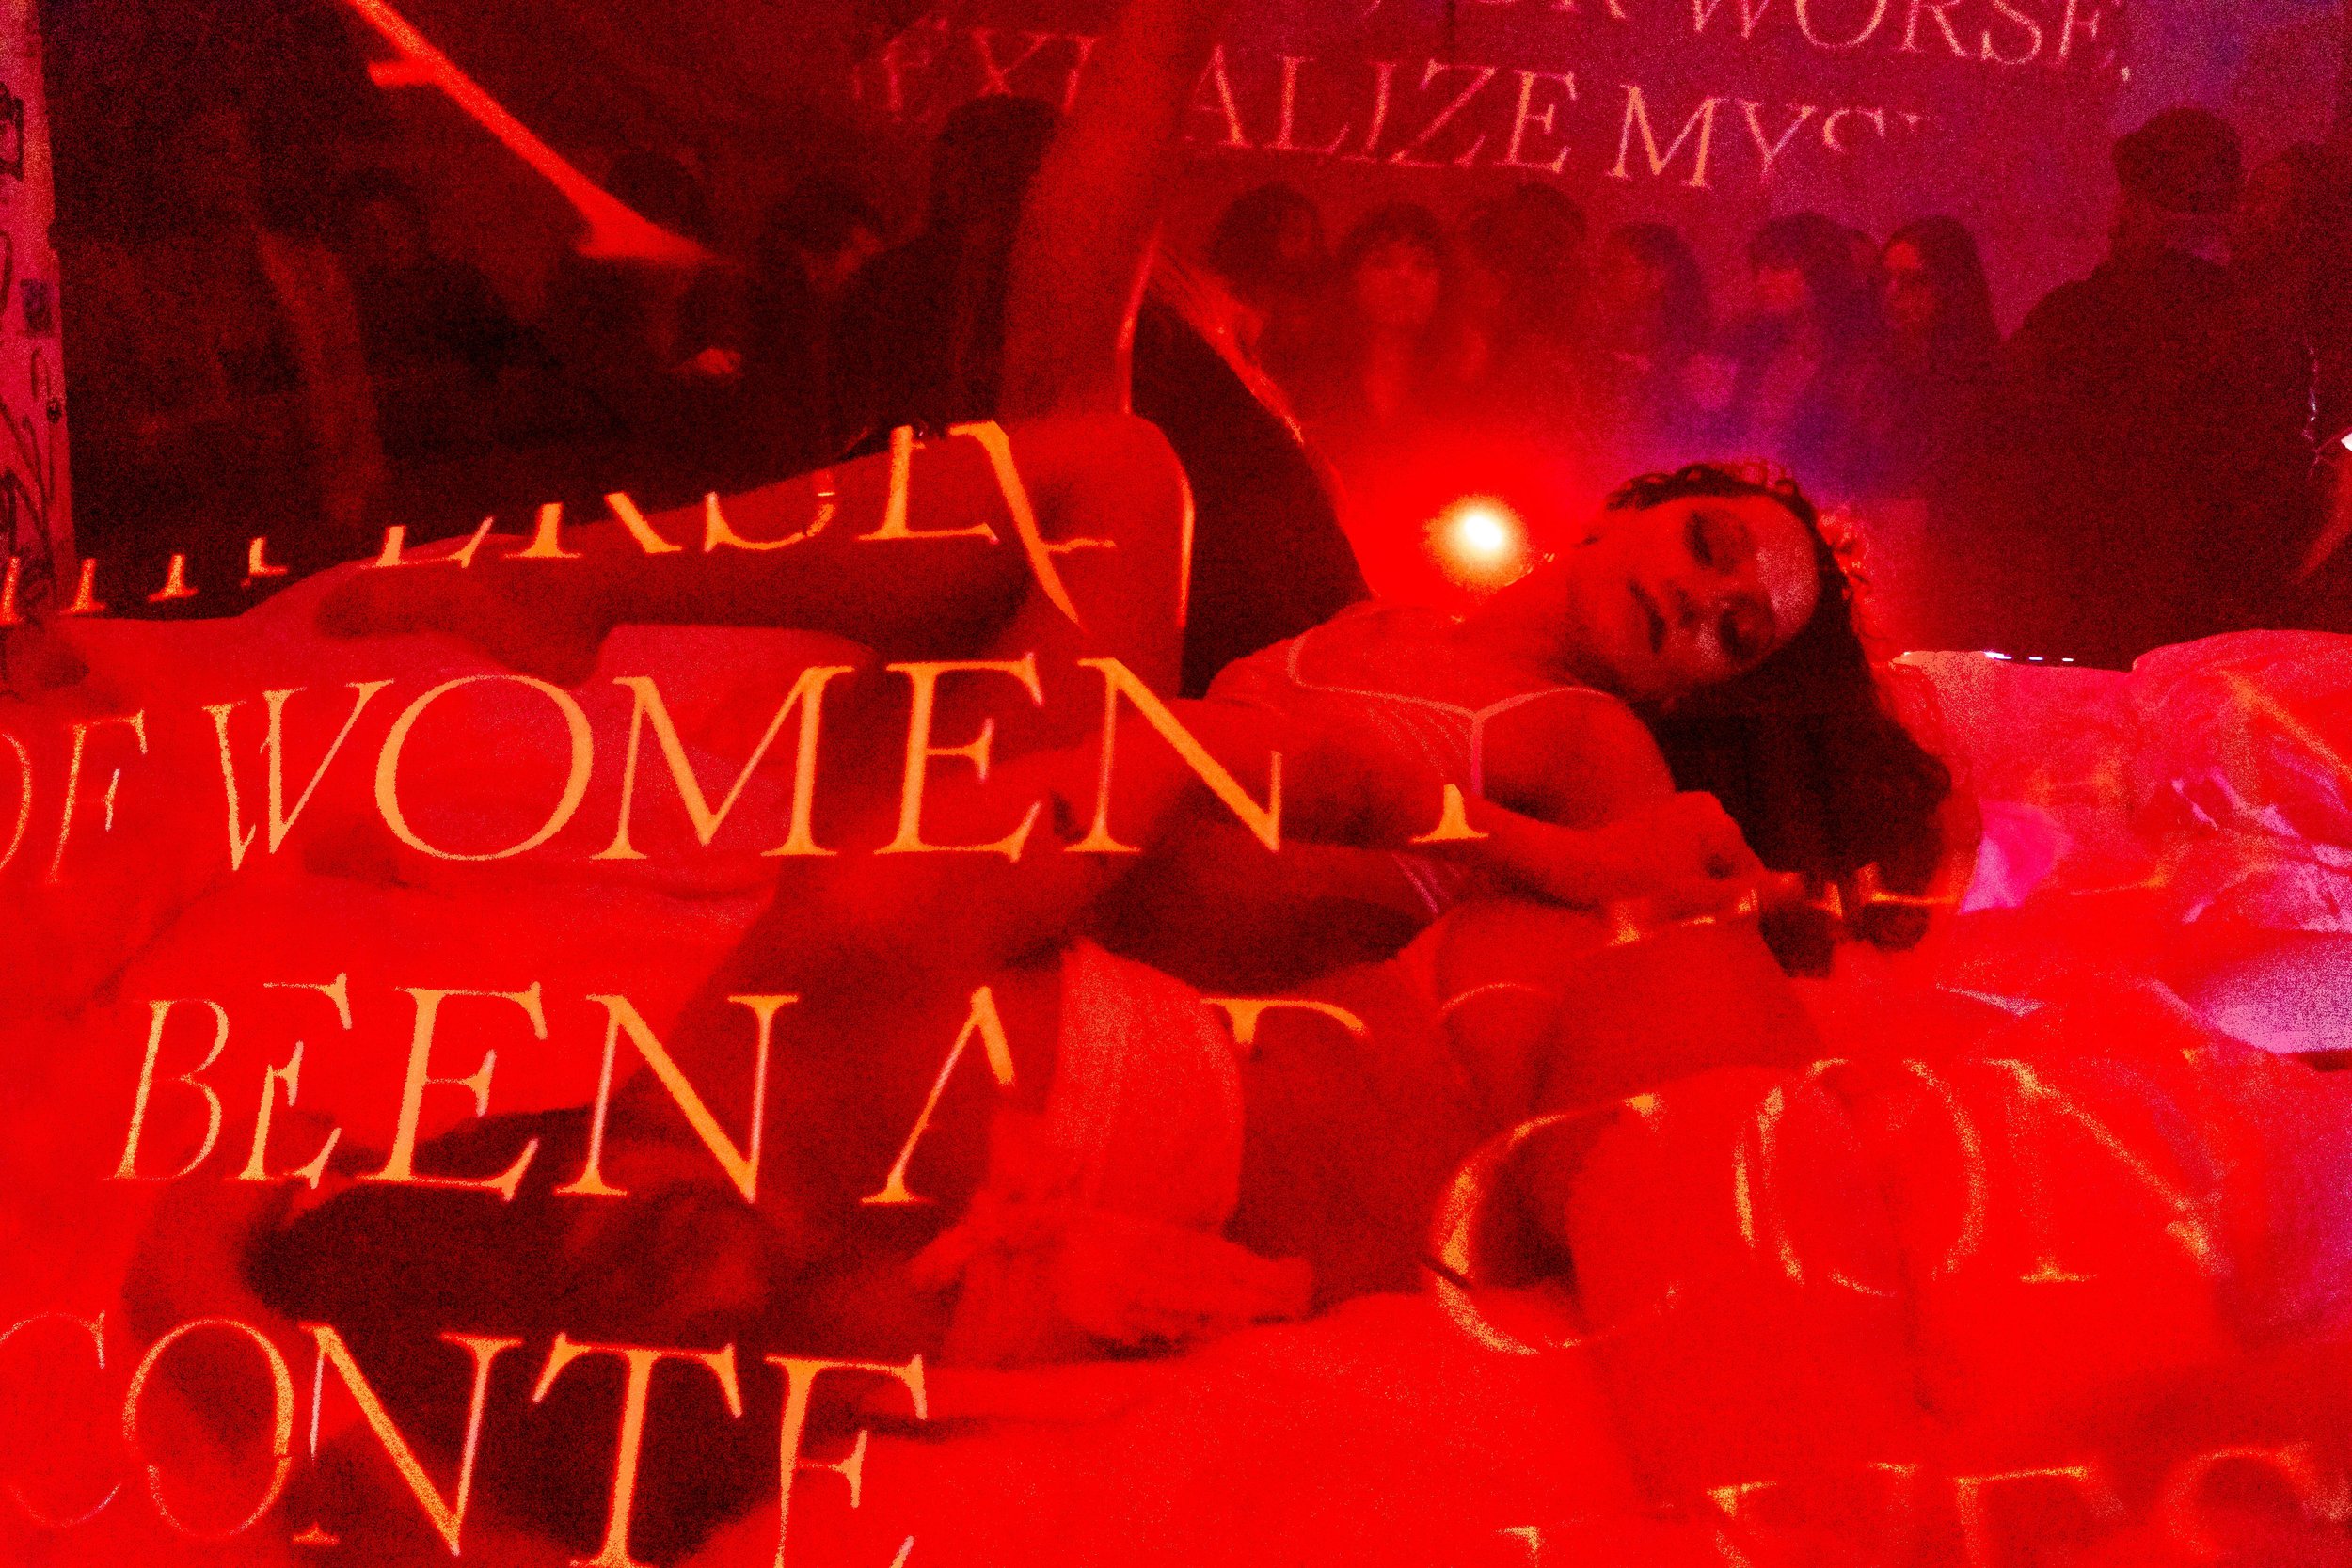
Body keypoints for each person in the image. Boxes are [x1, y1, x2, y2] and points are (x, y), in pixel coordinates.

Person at [1992, 107, 2300, 666]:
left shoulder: (2075, 320)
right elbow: (2275, 496)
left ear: (2138, 207)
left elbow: (2003, 448)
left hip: (2079, 622)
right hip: (2214, 638)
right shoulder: (2269, 335)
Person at [1279, 203, 1485, 605]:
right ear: (1351, 278)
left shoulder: (1462, 391)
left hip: (1427, 586)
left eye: (1423, 266)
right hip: (1312, 579)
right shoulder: (1305, 376)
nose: (1404, 278)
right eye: (1383, 263)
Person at [1714, 213, 1890, 502]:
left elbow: (1850, 469)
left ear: (1821, 273)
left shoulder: (1859, 364)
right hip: (1743, 501)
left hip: (1810, 511)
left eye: (1779, 267)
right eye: (1759, 268)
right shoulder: (1751, 346)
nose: (1762, 280)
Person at [747, 177, 889, 470]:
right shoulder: (785, 324)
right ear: (813, 255)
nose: (865, 274)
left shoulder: (834, 326)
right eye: (860, 255)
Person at [1586, 222, 1713, 478]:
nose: (1604, 277)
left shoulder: (1690, 351)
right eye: (1603, 268)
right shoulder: (1600, 338)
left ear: (1657, 276)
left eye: (1616, 268)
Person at [1203, 180, 1327, 362]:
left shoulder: (1310, 326)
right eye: (1281, 222)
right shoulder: (1211, 302)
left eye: (1300, 231)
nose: (1296, 237)